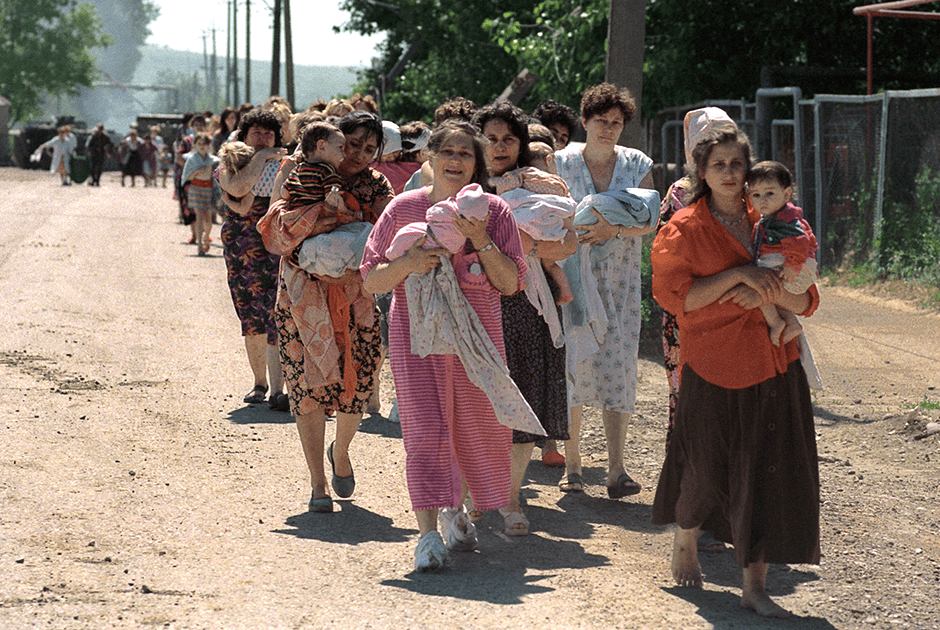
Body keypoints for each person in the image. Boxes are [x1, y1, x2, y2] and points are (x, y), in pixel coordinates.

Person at [650, 125, 821, 618]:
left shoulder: (771, 217)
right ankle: (686, 537)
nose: (729, 172)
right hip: (714, 362)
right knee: (705, 469)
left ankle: (754, 587)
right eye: (718, 164)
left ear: (749, 171)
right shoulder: (682, 228)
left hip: (775, 362)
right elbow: (675, 298)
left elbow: (806, 297)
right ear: (700, 172)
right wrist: (739, 276)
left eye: (736, 164)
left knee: (770, 473)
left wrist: (767, 292)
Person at [361, 120, 527, 571]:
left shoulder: (495, 211)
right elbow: (372, 277)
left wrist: (479, 238)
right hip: (418, 337)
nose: (456, 161)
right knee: (427, 432)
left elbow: (511, 283)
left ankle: (459, 508)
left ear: (478, 163)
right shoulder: (401, 209)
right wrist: (411, 261)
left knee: (477, 428)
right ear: (430, 158)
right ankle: (427, 536)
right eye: (447, 152)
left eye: (466, 154)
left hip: (478, 337)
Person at [259, 110, 392, 512]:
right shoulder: (295, 171)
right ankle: (318, 483)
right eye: (353, 144)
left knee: (361, 377)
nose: (360, 154)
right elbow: (275, 226)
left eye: (370, 149)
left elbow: (387, 233)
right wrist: (326, 219)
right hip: (303, 297)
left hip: (358, 296)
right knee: (306, 388)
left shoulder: (377, 185)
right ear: (333, 140)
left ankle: (342, 450)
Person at [553, 83, 657, 498]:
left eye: (616, 122)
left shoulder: (636, 163)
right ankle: (573, 464)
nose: (608, 128)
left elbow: (653, 217)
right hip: (573, 280)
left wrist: (615, 228)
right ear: (585, 120)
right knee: (573, 367)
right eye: (601, 120)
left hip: (621, 281)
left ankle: (617, 468)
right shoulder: (559, 162)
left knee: (619, 367)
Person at [475, 102, 578, 515]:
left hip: (524, 303)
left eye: (509, 139)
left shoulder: (538, 185)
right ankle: (476, 495)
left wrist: (525, 246)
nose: (499, 147)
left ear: (521, 144)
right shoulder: (462, 181)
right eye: (491, 139)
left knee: (521, 400)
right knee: (476, 404)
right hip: (474, 301)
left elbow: (568, 243)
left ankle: (512, 495)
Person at [659, 107, 736, 446]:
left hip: (736, 311)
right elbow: (668, 260)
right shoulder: (680, 193)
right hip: (688, 313)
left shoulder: (748, 187)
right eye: (707, 140)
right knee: (690, 392)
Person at [218, 108, 289, 409]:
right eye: (256, 132)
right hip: (242, 244)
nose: (263, 137)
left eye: (269, 132)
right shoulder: (229, 161)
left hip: (276, 241)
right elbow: (237, 187)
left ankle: (277, 389)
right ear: (244, 136)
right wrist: (260, 158)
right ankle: (259, 383)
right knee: (250, 316)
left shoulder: (287, 163)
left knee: (277, 312)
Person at [746, 161, 818, 347]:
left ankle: (776, 322)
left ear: (786, 194)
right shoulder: (771, 217)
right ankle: (791, 323)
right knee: (762, 286)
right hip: (788, 262)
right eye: (756, 195)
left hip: (794, 265)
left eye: (770, 193)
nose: (763, 200)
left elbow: (800, 242)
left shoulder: (785, 218)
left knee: (758, 285)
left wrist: (792, 266)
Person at [182, 132, 221, 255]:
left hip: (208, 189)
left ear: (208, 145)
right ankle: (199, 245)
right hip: (196, 188)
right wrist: (199, 171)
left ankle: (206, 238)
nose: (202, 146)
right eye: (199, 144)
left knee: (208, 219)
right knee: (199, 215)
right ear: (195, 145)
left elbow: (218, 176)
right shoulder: (192, 159)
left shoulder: (213, 160)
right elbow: (187, 177)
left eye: (204, 144)